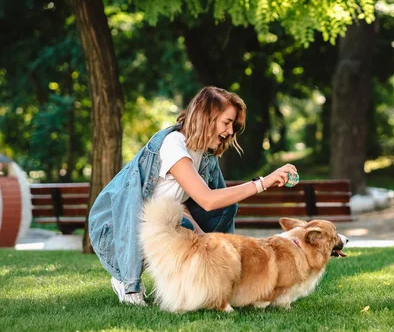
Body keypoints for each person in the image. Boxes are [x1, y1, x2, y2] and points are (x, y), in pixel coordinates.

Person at [88, 86, 297, 306]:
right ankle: (126, 281)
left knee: (226, 208)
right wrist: (263, 182)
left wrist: (205, 239)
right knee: (206, 211)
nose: (229, 131)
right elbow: (207, 199)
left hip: (163, 222)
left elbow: (186, 203)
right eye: (226, 122)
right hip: (117, 230)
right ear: (207, 116)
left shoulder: (202, 153)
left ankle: (219, 278)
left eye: (233, 126)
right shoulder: (173, 145)